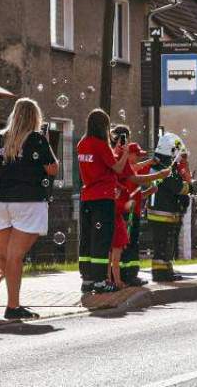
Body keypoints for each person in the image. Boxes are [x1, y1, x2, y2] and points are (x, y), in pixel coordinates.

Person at [0, 98, 59, 319]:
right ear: (35, 117)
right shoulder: (36, 139)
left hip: (2, 201)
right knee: (15, 256)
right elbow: (53, 169)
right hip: (28, 202)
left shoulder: (1, 138)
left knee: (3, 254)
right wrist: (46, 143)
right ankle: (13, 307)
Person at [76, 109, 130, 293]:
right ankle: (100, 280)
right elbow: (119, 168)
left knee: (87, 238)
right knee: (101, 240)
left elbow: (98, 162)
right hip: (103, 198)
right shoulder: (101, 144)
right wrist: (125, 151)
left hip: (86, 198)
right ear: (103, 126)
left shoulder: (82, 144)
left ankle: (87, 279)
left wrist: (113, 151)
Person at [114, 141, 166, 288]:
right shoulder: (127, 172)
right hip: (129, 214)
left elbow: (135, 196)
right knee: (129, 245)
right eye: (136, 155)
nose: (138, 158)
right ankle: (129, 275)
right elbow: (129, 194)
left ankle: (130, 273)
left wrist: (148, 192)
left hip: (133, 212)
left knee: (131, 244)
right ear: (127, 154)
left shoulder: (131, 171)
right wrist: (158, 174)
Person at [145, 133, 190, 282]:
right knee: (164, 245)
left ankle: (165, 270)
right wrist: (189, 186)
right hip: (164, 213)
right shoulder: (166, 167)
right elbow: (177, 188)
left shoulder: (158, 163)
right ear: (172, 150)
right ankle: (161, 274)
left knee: (163, 244)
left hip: (156, 212)